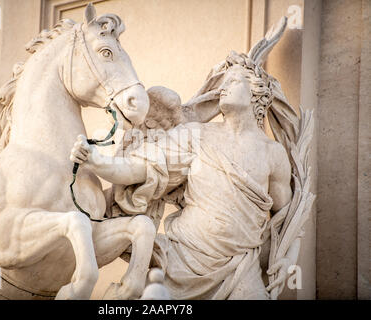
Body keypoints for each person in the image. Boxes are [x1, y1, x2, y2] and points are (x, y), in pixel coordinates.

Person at [70, 51, 297, 299]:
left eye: (233, 81)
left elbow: (286, 217)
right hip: (183, 261)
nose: (223, 87)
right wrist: (97, 161)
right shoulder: (195, 135)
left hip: (241, 268)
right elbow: (141, 167)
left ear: (256, 92)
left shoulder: (272, 154)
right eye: (223, 82)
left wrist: (287, 257)